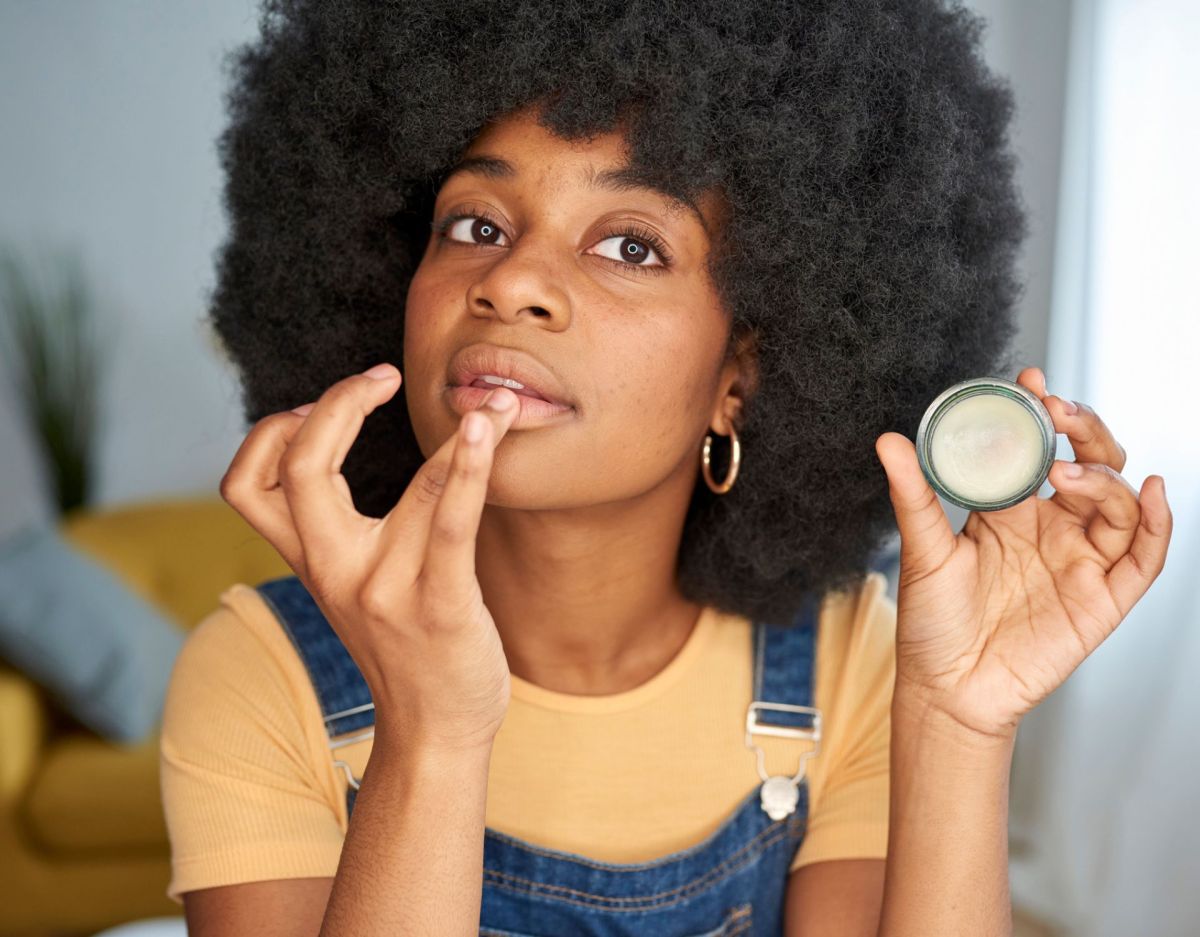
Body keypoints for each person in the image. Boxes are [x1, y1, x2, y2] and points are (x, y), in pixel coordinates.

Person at [159, 0, 1173, 934]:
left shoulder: (843, 662)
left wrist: (960, 722)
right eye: (475, 224)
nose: (511, 282)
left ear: (741, 374)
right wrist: (429, 726)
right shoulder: (267, 677)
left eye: (631, 246)